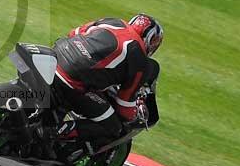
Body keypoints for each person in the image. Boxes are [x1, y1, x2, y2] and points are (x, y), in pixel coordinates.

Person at [52, 14, 163, 143]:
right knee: (113, 127)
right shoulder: (141, 61)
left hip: (55, 56)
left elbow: (74, 33)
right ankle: (55, 133)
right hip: (73, 81)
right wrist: (134, 115)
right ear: (149, 39)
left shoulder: (113, 22)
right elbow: (124, 105)